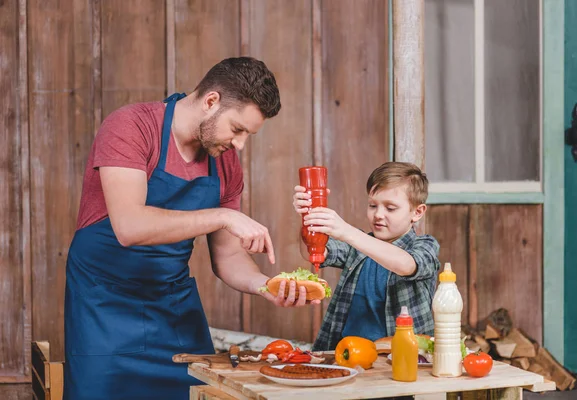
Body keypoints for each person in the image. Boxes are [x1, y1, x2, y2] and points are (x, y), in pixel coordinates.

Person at [64, 57, 315, 400]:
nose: (240, 144)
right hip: (103, 308)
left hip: (172, 310)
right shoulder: (131, 126)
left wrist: (265, 285)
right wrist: (222, 216)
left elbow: (228, 256)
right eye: (237, 129)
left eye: (248, 135)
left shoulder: (225, 162)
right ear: (211, 101)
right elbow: (129, 226)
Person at [292, 161, 441, 351]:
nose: (378, 214)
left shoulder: (425, 245)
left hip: (400, 359)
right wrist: (307, 217)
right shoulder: (357, 246)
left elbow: (406, 264)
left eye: (390, 208)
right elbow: (312, 252)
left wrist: (347, 231)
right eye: (372, 205)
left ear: (417, 212)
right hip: (346, 353)